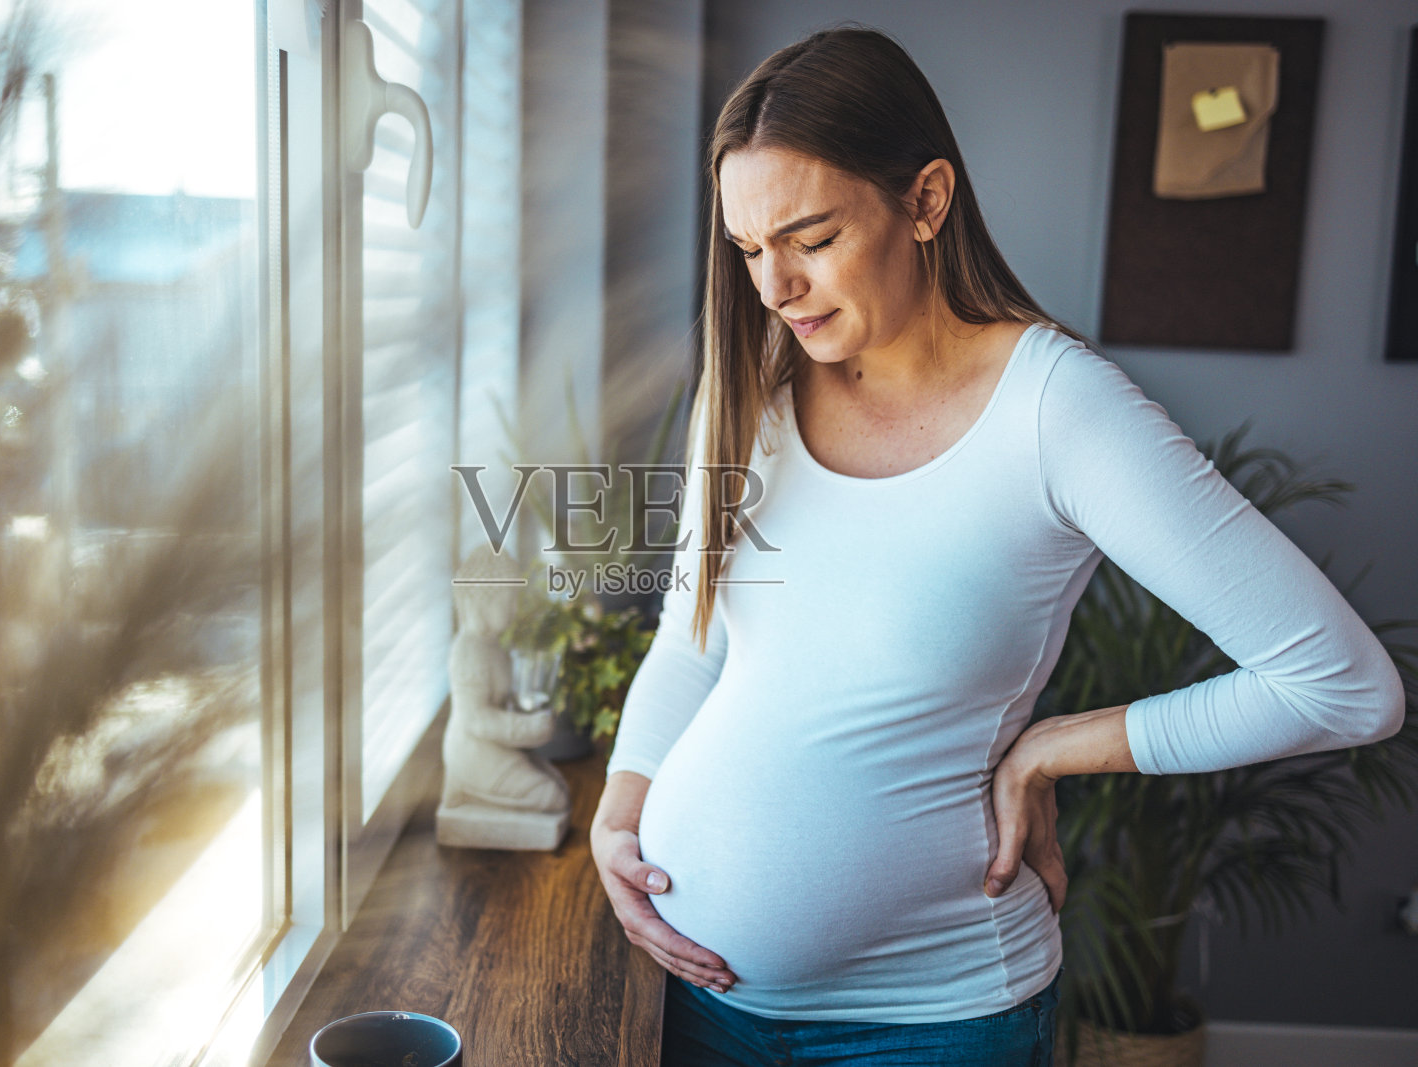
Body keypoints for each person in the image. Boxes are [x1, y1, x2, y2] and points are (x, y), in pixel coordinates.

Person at [589, 25, 1405, 1067]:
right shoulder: (751, 383)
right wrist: (621, 811)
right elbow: (695, 634)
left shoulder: (1058, 410)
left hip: (935, 1023)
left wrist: (1051, 746)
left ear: (926, 201)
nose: (773, 286)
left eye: (811, 238)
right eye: (749, 249)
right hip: (700, 1005)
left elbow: (1344, 685)